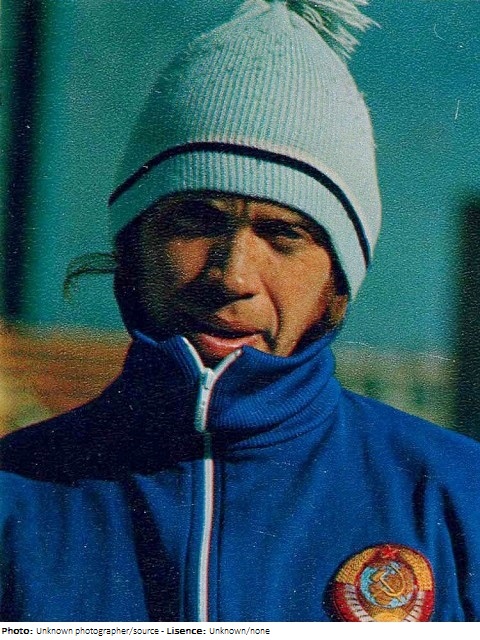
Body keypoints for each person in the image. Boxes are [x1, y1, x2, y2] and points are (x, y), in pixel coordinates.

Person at [1, 0, 480, 623]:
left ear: (337, 278)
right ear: (133, 246)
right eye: (196, 220)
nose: (232, 276)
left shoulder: (456, 497)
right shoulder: (16, 495)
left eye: (283, 234)